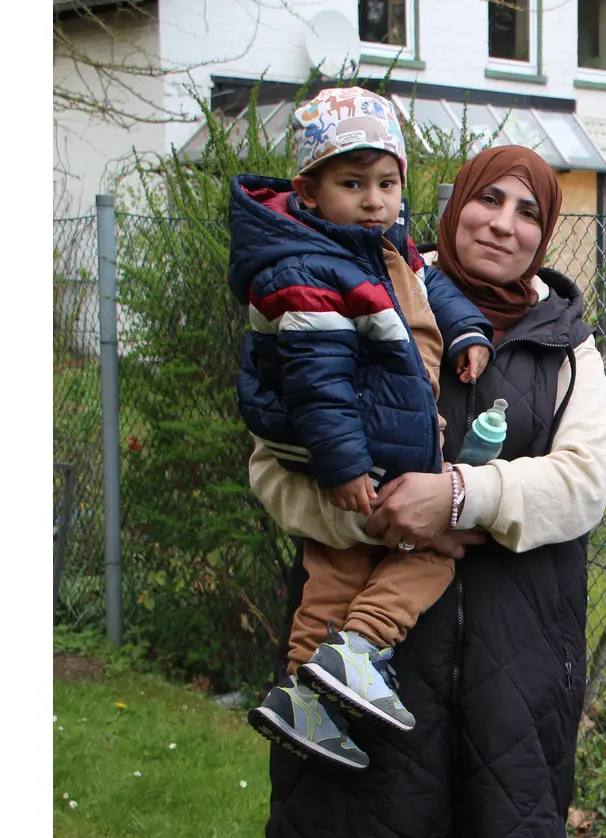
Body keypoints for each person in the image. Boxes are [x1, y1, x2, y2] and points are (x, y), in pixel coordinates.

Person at [249, 145, 606, 838]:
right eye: (490, 200)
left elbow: (584, 484)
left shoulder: (567, 345)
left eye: (529, 212)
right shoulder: (369, 291)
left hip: (513, 679)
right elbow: (270, 469)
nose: (503, 225)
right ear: (456, 204)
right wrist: (384, 521)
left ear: (545, 235)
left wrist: (459, 496)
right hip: (363, 674)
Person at [230, 86, 495, 769]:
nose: (376, 199)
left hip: (356, 445)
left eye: (387, 182)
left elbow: (428, 284)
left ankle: (302, 696)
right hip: (357, 448)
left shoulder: (377, 248)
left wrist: (464, 327)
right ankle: (362, 646)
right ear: (309, 192)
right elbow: (318, 380)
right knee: (433, 548)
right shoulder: (309, 270)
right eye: (353, 183)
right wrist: (345, 463)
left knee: (335, 562)